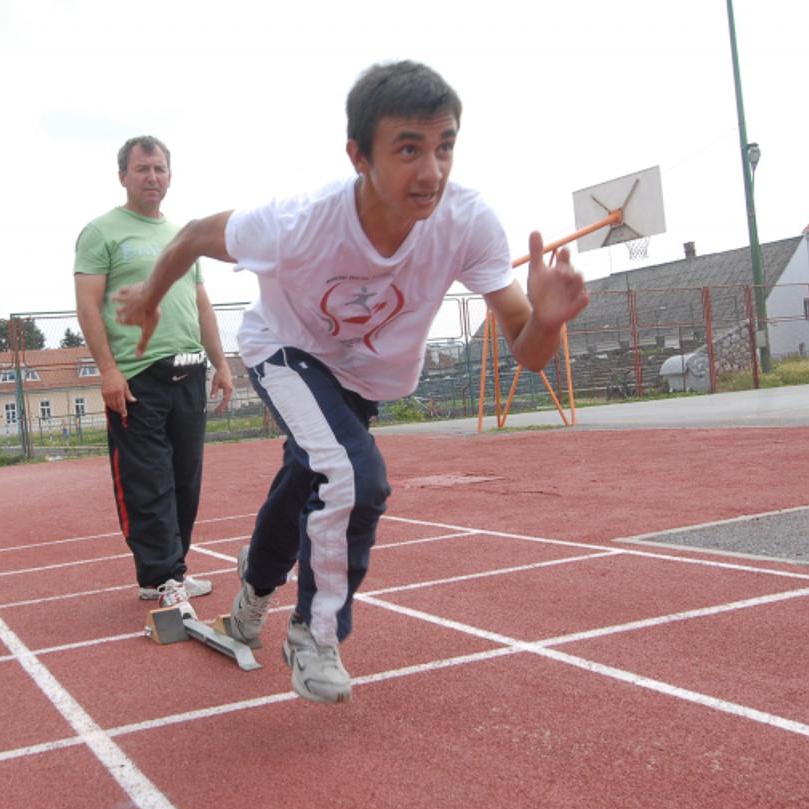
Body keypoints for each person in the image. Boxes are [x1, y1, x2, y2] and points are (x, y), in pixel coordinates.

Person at [114, 61, 588, 703]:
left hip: (365, 379)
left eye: (445, 147)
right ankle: (315, 634)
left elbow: (528, 352)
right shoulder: (301, 222)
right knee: (354, 477)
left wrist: (550, 322)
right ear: (359, 156)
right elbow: (197, 234)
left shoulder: (467, 222)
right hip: (286, 350)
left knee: (308, 476)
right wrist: (148, 296)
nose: (432, 172)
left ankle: (253, 587)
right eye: (409, 150)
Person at [74, 135, 234, 617]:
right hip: (137, 378)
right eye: (142, 169)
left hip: (188, 371)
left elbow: (201, 301)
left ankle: (171, 571)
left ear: (170, 175)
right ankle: (163, 576)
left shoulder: (184, 235)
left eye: (160, 169)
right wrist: (108, 370)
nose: (152, 177)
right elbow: (87, 305)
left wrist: (222, 363)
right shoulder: (101, 233)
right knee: (148, 482)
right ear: (123, 175)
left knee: (185, 479)